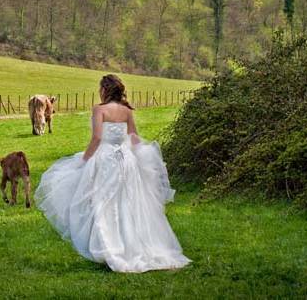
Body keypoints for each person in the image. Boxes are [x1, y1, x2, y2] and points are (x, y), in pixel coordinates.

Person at [35, 74, 190, 273]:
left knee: (103, 203)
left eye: (101, 88)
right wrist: (144, 157)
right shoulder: (126, 111)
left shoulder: (99, 109)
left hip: (106, 160)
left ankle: (109, 248)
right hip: (127, 161)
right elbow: (133, 137)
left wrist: (84, 161)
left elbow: (97, 138)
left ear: (105, 90)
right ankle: (129, 246)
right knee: (127, 202)